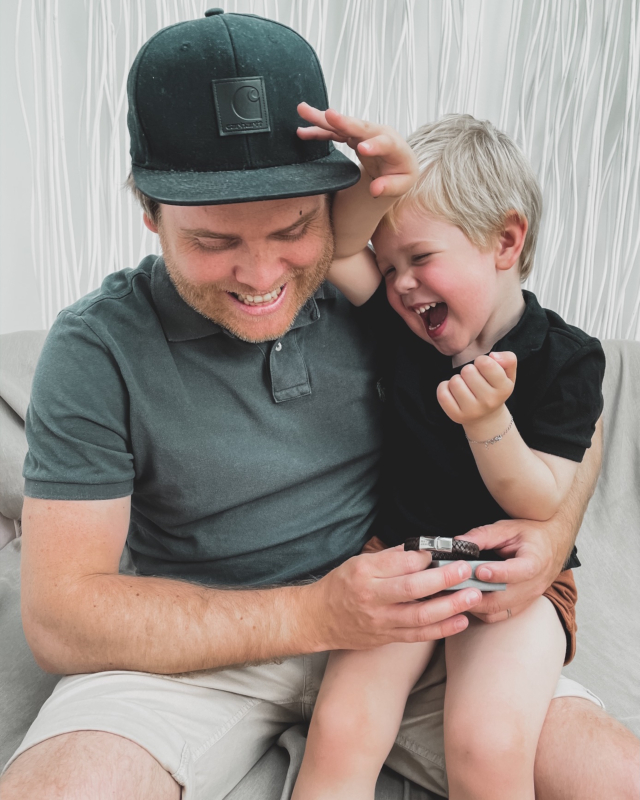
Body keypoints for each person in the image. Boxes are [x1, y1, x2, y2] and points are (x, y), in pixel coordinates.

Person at [1, 10, 637, 800]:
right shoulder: (96, 348)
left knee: (614, 777)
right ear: (148, 212)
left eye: (293, 227)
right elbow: (61, 616)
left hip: (417, 616)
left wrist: (552, 538)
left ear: (334, 204)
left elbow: (568, 403)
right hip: (196, 652)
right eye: (213, 241)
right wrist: (320, 613)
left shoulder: (398, 299)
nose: (260, 274)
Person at [290, 112, 606, 800]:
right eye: (392, 263)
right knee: (342, 727)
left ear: (505, 240)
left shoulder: (568, 358)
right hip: (401, 554)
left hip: (514, 580)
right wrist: (377, 178)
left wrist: (488, 422)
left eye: (421, 258)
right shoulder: (406, 330)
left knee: (485, 745)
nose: (402, 283)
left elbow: (541, 501)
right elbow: (339, 248)